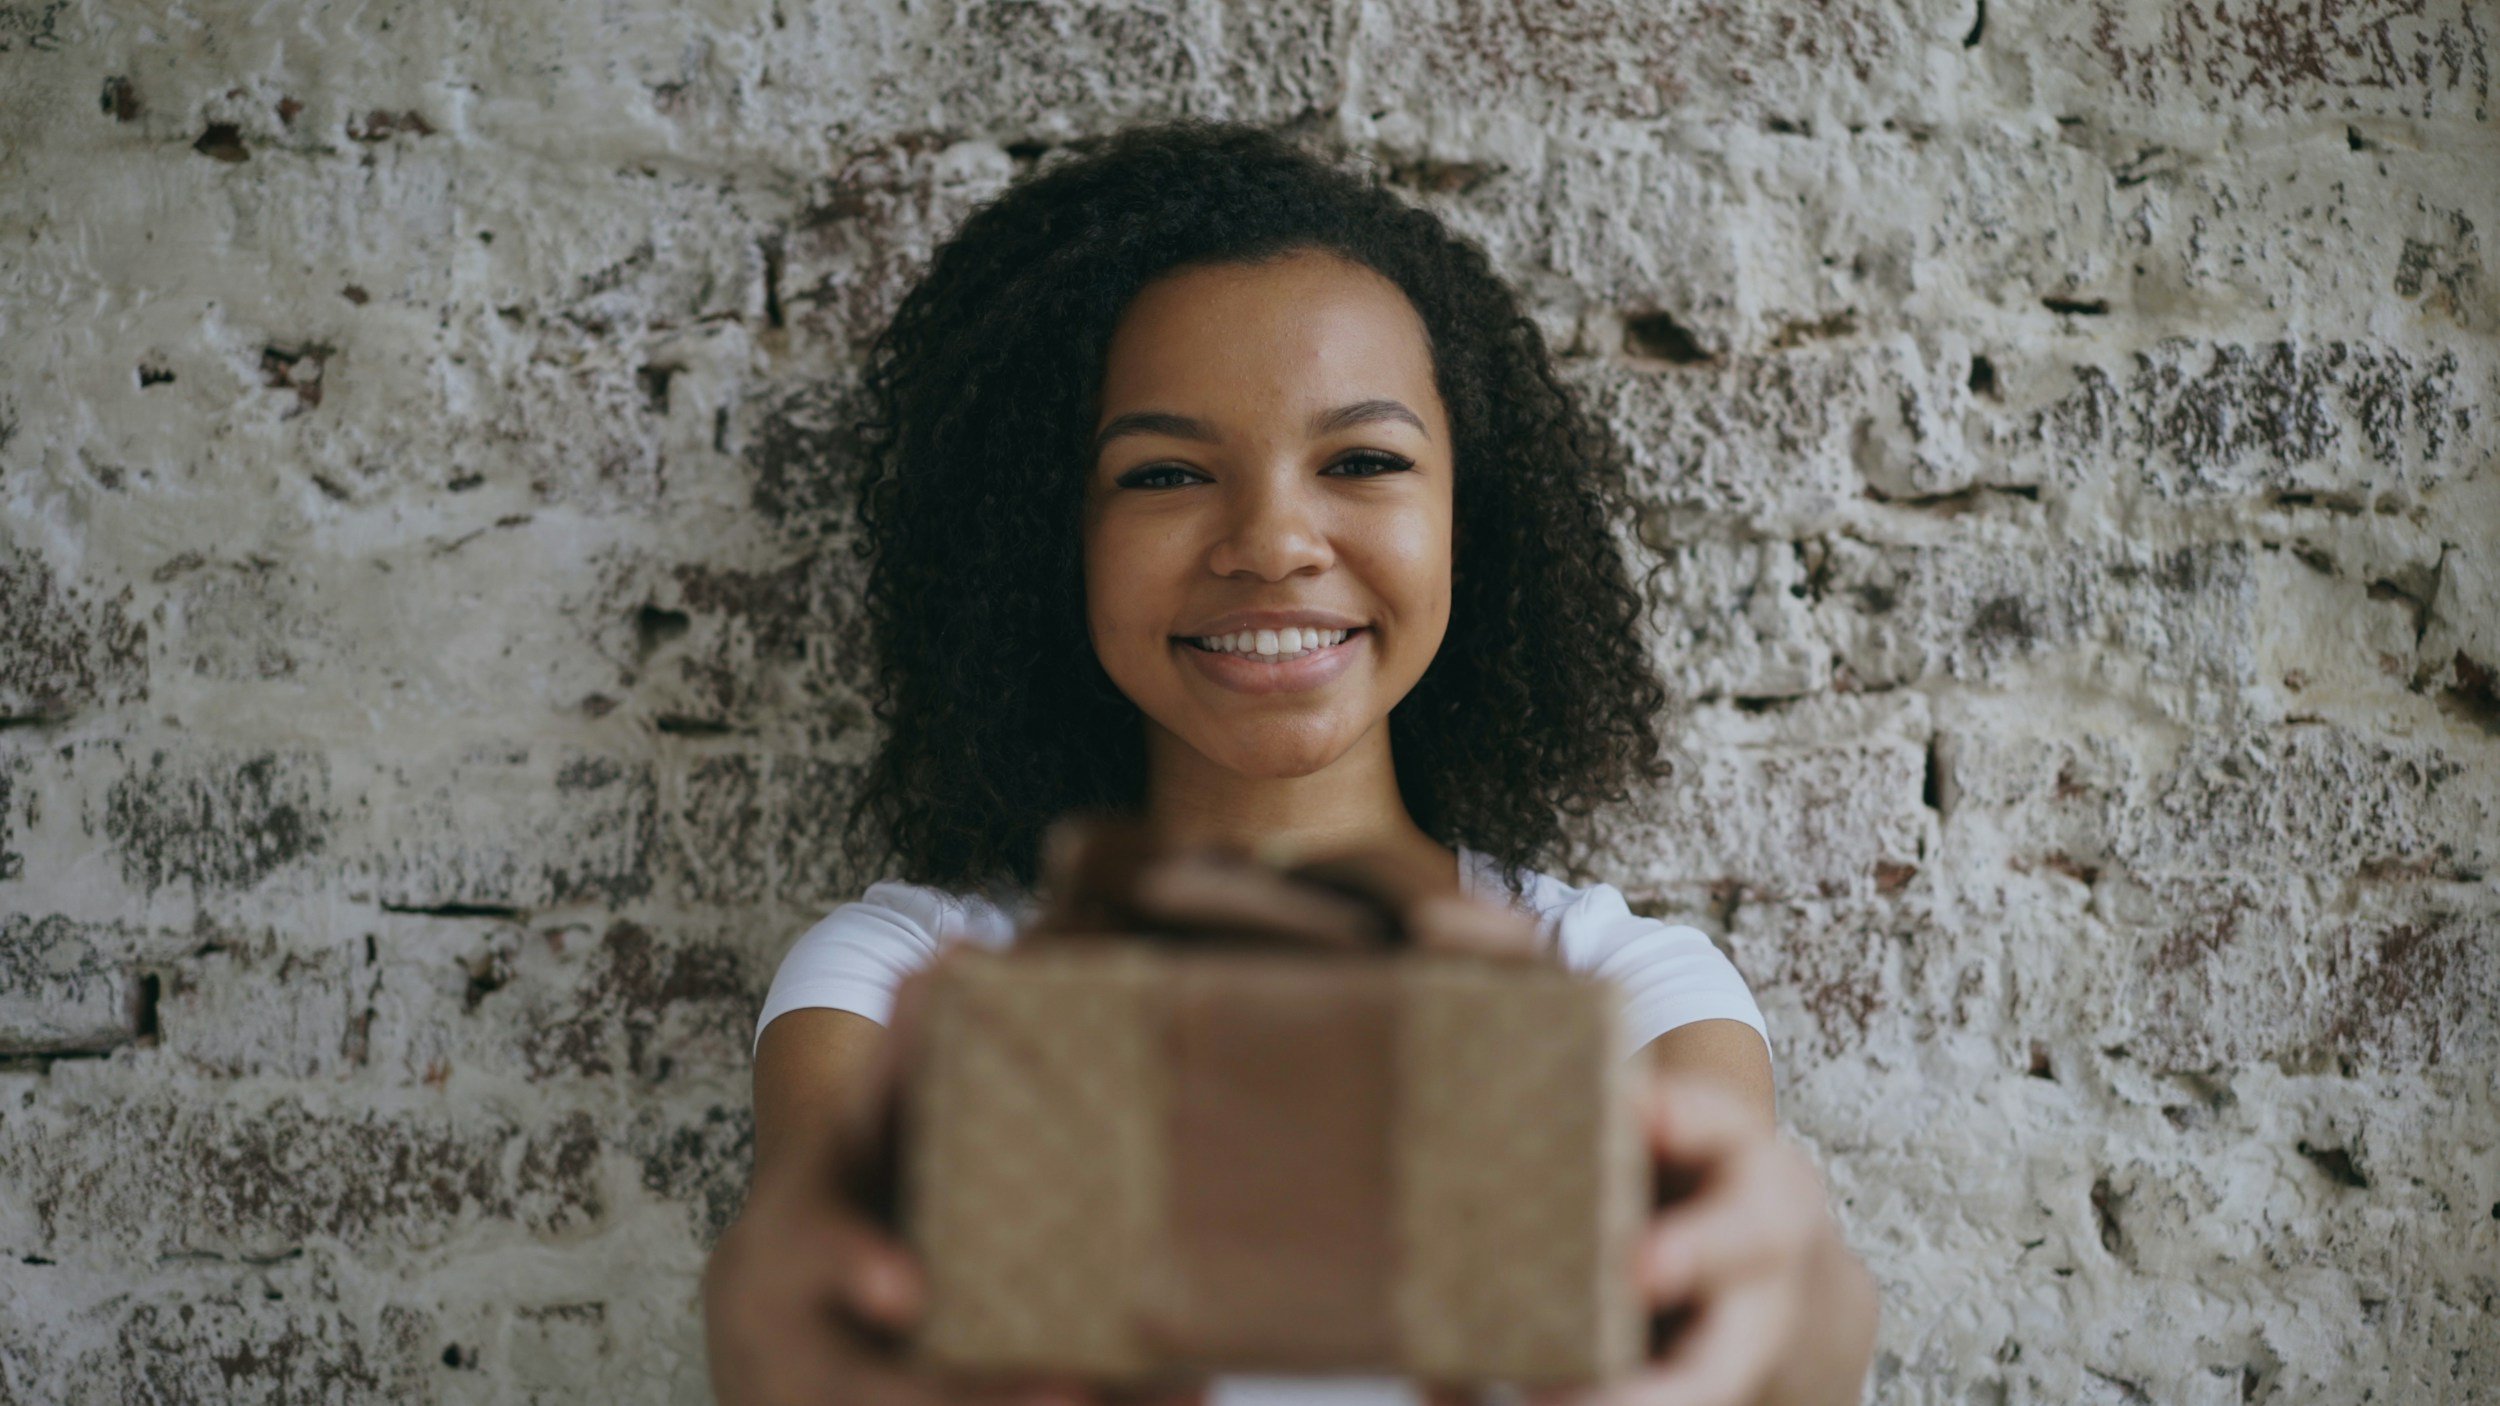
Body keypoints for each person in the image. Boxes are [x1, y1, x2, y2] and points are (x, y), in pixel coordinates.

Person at [702, 116, 1879, 1406]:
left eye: (1363, 462)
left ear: (1467, 524)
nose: (1273, 540)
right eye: (1163, 473)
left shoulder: (1639, 998)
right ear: (1052, 541)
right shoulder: (882, 993)